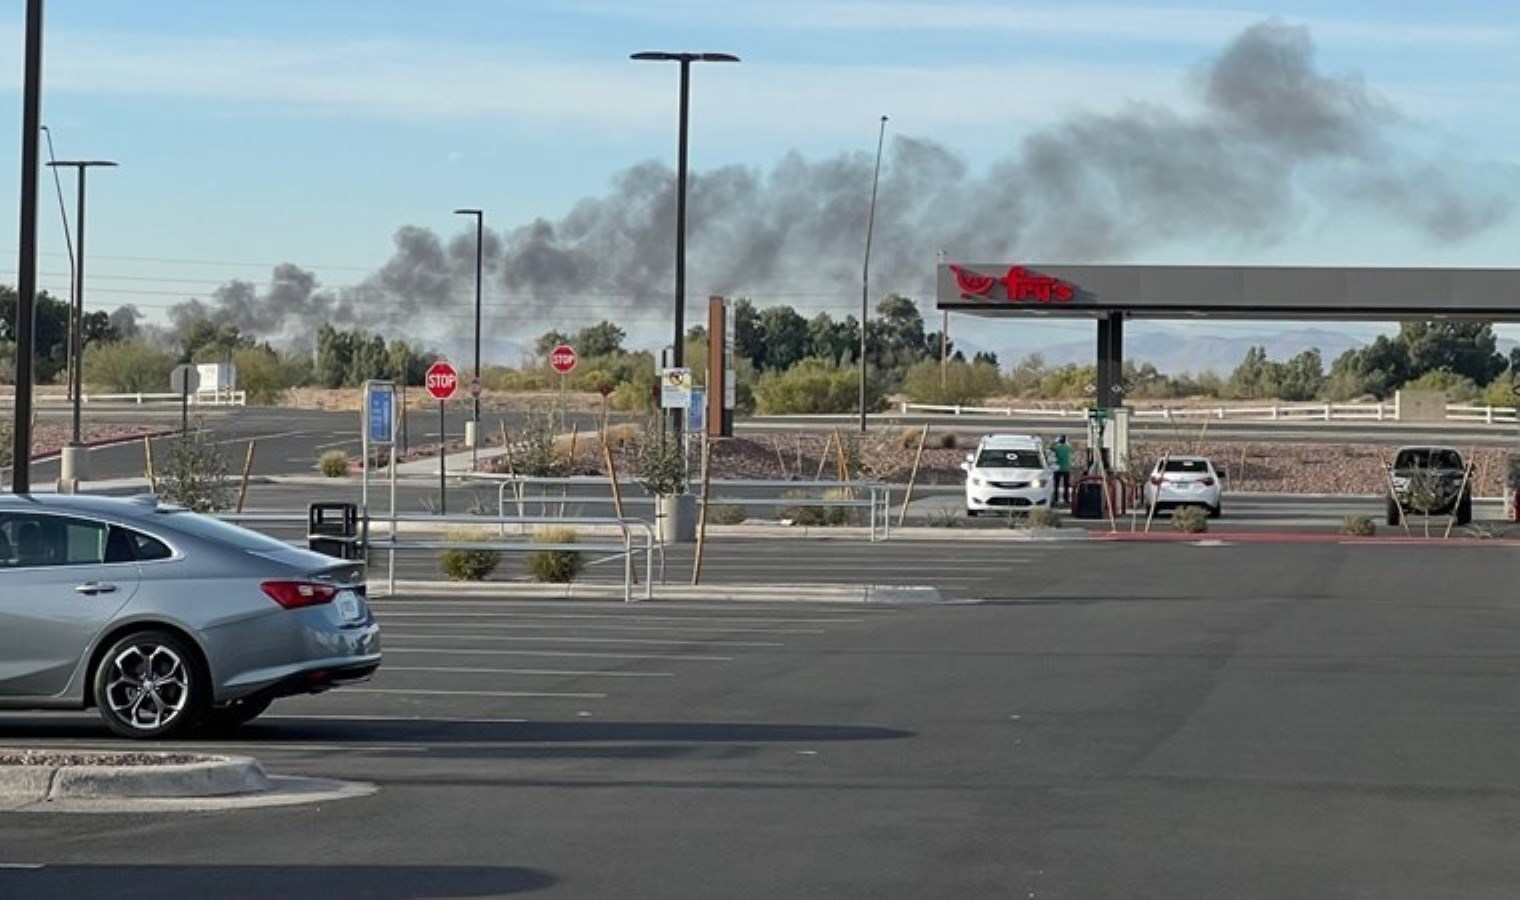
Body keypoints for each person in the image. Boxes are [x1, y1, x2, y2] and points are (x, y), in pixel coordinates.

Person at [1051, 435, 1073, 506]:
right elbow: (1072, 449)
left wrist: (1055, 442)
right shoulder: (1068, 448)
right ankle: (1066, 499)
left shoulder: (1057, 448)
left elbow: (1050, 448)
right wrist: (1068, 442)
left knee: (1056, 485)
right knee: (1066, 485)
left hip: (1057, 468)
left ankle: (1056, 499)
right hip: (1066, 468)